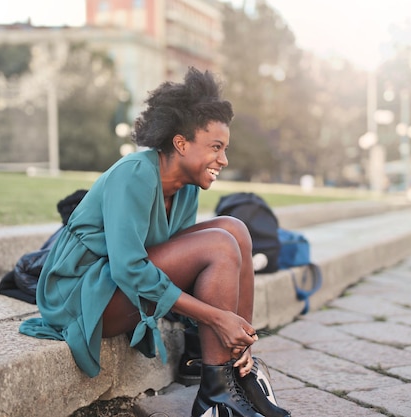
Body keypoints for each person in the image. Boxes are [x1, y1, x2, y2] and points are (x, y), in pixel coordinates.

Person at [19, 67, 289, 417]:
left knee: (235, 230)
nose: (223, 159)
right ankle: (214, 395)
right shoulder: (134, 174)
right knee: (220, 244)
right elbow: (130, 269)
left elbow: (179, 266)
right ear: (181, 143)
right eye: (216, 147)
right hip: (82, 296)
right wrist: (219, 318)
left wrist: (239, 333)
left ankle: (236, 368)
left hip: (117, 287)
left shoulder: (187, 187)